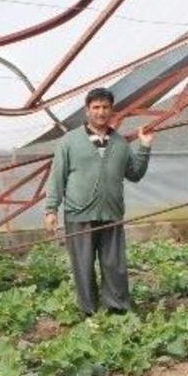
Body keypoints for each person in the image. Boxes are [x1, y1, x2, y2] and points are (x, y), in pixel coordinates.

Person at [43, 87, 154, 316]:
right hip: (79, 213)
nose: (101, 112)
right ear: (87, 111)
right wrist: (51, 209)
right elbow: (57, 177)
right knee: (83, 266)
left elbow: (135, 174)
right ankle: (89, 311)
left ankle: (116, 308)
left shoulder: (120, 143)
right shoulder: (69, 142)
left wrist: (144, 147)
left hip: (111, 213)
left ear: (111, 110)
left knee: (114, 264)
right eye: (96, 107)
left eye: (105, 107)